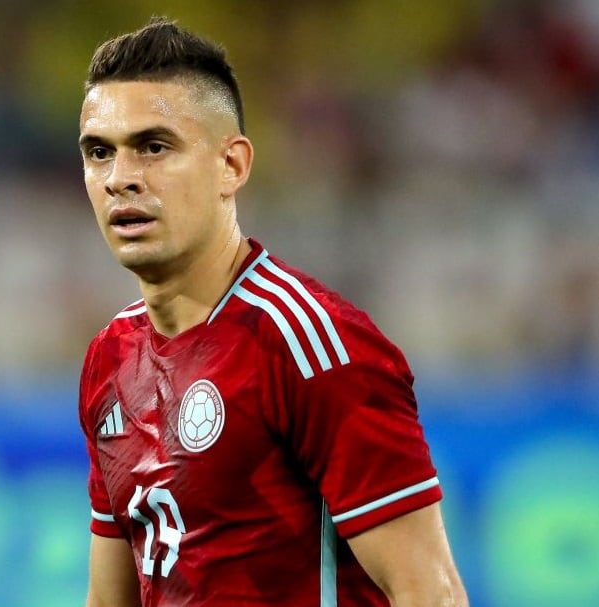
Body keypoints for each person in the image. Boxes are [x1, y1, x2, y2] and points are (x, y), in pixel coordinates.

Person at [76, 16, 468, 607]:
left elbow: (429, 592)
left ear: (231, 166)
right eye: (99, 153)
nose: (120, 179)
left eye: (154, 147)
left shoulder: (310, 345)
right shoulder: (111, 357)